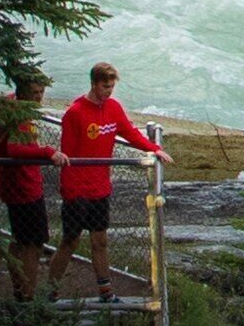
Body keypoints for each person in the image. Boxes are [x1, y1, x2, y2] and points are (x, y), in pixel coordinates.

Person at [54, 61, 164, 299]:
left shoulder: (113, 107)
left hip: (100, 188)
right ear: (94, 83)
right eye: (105, 87)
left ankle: (106, 292)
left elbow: (130, 133)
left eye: (112, 87)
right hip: (77, 189)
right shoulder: (75, 113)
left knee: (100, 240)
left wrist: (154, 149)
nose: (109, 92)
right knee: (70, 242)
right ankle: (49, 290)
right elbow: (68, 154)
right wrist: (69, 191)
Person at [0, 74, 63, 300]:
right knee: (33, 244)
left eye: (41, 92)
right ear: (22, 93)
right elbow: (13, 149)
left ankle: (19, 288)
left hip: (13, 185)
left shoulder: (9, 107)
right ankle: (26, 295)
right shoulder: (17, 115)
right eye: (34, 93)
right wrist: (47, 152)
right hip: (24, 187)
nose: (39, 97)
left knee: (19, 239)